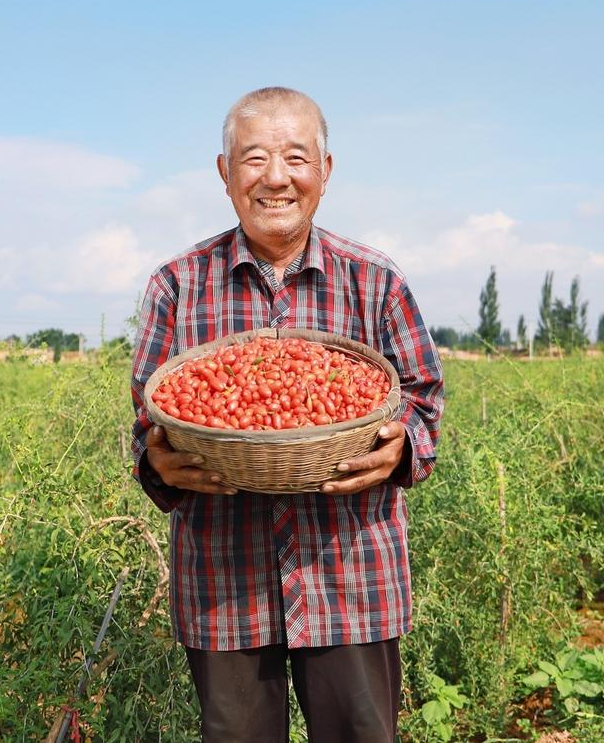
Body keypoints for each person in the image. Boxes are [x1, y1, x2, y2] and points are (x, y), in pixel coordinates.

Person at [131, 86, 443, 742]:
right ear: (225, 173)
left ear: (325, 172)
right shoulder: (176, 286)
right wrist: (159, 460)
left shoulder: (376, 280)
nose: (276, 177)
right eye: (254, 158)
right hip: (226, 582)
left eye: (296, 157)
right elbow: (149, 426)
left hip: (351, 576)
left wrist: (402, 446)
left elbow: (421, 400)